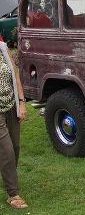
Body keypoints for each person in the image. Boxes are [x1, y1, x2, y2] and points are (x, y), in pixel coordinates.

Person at [0, 41, 28, 209]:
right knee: (7, 150)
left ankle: (7, 174)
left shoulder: (3, 47)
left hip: (11, 105)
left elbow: (15, 75)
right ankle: (13, 194)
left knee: (15, 147)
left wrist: (22, 102)